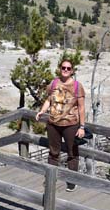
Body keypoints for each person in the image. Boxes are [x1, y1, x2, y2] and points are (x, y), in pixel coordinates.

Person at [35, 57, 86, 192]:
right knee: (53, 152)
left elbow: (81, 107)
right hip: (53, 123)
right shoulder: (53, 83)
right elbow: (49, 100)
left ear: (72, 71)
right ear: (60, 69)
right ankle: (51, 178)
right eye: (63, 67)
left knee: (72, 153)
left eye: (68, 68)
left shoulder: (77, 86)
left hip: (71, 124)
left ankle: (72, 181)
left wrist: (82, 126)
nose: (65, 70)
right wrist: (42, 111)